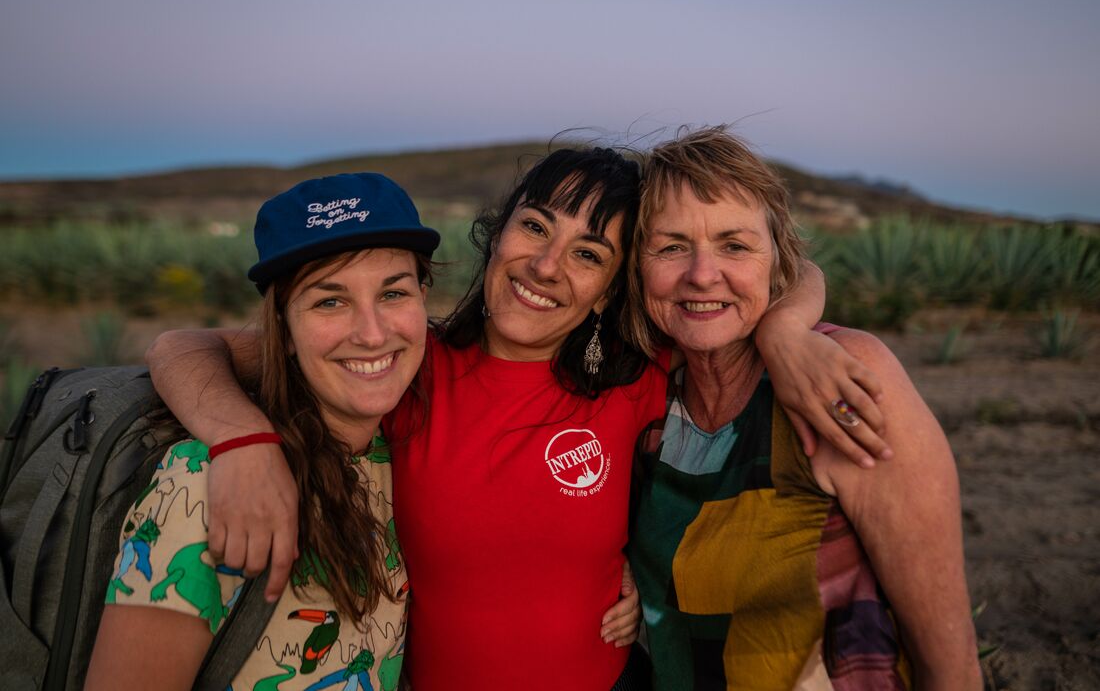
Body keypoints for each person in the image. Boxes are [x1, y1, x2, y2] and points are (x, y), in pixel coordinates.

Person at [145, 146, 890, 689]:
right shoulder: (406, 364)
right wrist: (242, 439)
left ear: (607, 292)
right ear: (497, 234)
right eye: (535, 228)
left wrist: (788, 330)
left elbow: (786, 272)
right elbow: (183, 346)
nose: (546, 266)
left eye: (588, 253)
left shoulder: (635, 380)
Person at [625, 127, 982, 690]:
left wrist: (785, 331)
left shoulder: (841, 376)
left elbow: (952, 662)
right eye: (670, 246)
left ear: (777, 260)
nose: (701, 273)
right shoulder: (644, 400)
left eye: (735, 246)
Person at [85, 172, 441, 691]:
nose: (372, 333)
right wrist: (244, 443)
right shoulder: (206, 484)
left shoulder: (406, 442)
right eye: (329, 301)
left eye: (393, 293)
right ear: (285, 328)